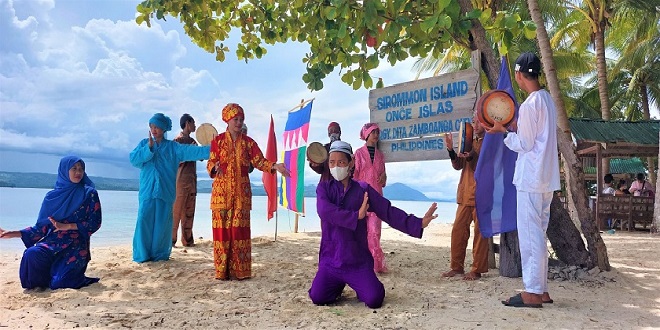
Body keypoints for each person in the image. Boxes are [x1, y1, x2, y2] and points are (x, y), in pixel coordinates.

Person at [308, 140, 438, 309]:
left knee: (374, 299)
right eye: (332, 162)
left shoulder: (363, 190)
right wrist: (356, 216)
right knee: (318, 297)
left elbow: (387, 211)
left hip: (357, 261)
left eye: (341, 162)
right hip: (331, 260)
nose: (336, 166)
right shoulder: (324, 188)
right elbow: (325, 211)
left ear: (351, 162)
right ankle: (338, 284)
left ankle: (357, 282)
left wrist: (418, 223)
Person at [487, 52, 560, 308]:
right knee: (538, 232)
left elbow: (525, 143)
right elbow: (537, 138)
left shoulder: (530, 104)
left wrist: (503, 131)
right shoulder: (547, 100)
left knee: (531, 236)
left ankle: (533, 291)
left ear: (519, 75)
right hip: (546, 177)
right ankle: (541, 290)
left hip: (531, 178)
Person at [207, 103, 290, 280]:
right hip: (220, 196)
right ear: (227, 121)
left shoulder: (249, 143)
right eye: (235, 119)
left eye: (241, 120)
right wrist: (214, 167)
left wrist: (275, 166)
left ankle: (240, 272)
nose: (238, 122)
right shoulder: (217, 141)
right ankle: (222, 272)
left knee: (239, 232)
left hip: (241, 195)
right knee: (221, 234)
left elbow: (260, 161)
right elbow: (211, 163)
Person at [0, 155, 102, 290]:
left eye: (81, 169)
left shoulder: (89, 193)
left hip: (76, 245)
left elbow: (95, 222)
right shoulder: (51, 197)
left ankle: (58, 276)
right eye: (74, 168)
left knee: (60, 283)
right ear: (64, 171)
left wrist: (67, 226)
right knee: (32, 253)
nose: (78, 172)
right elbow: (40, 228)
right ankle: (45, 279)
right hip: (53, 242)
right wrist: (12, 233)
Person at [130, 113, 211, 263]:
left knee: (162, 224)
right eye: (152, 127)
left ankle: (159, 255)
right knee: (143, 221)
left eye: (157, 127)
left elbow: (193, 152)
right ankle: (142, 255)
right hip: (147, 192)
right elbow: (133, 160)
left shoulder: (173, 148)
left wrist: (214, 149)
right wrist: (148, 148)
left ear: (164, 128)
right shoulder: (144, 143)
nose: (154, 130)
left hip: (165, 192)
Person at [441, 115, 489, 281]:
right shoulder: (470, 140)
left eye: (478, 122)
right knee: (458, 231)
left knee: (480, 234)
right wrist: (450, 150)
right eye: (474, 122)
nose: (475, 125)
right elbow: (458, 166)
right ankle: (456, 267)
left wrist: (470, 155)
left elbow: (479, 165)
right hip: (465, 193)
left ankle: (476, 270)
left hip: (482, 194)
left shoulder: (490, 141)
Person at [352, 123, 388, 273]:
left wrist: (384, 177)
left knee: (375, 231)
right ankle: (361, 262)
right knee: (360, 232)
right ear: (366, 134)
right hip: (360, 198)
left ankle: (375, 264)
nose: (376, 135)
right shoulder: (358, 154)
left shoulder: (381, 155)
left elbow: (383, 178)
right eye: (373, 132)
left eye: (377, 132)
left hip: (377, 197)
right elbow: (354, 176)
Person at [172, 113, 200, 247]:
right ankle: (170, 241)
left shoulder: (193, 142)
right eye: (193, 123)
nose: (195, 125)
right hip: (180, 181)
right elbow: (173, 159)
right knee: (176, 212)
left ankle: (187, 240)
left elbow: (200, 156)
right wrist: (189, 153)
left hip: (192, 181)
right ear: (187, 123)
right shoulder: (177, 141)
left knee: (189, 212)